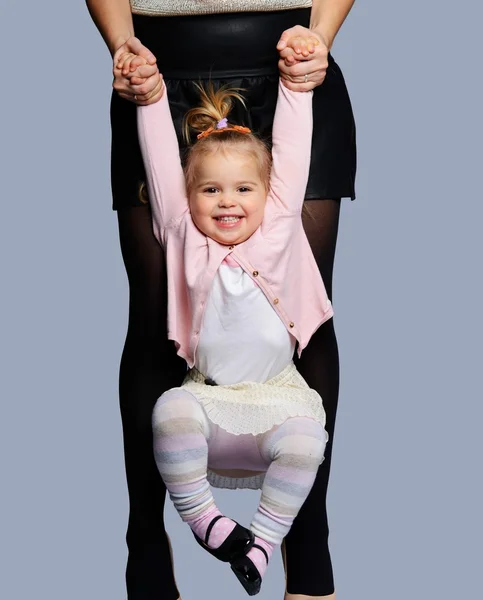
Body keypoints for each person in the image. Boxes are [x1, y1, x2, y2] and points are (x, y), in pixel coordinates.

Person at [85, 2, 356, 599]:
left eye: (240, 192)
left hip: (291, 53)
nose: (228, 203)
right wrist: (127, 50)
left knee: (315, 338)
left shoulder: (280, 215)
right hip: (158, 63)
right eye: (211, 192)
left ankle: (296, 543)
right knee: (152, 331)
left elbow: (293, 141)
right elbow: (162, 170)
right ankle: (161, 540)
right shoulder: (181, 223)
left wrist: (311, 50)